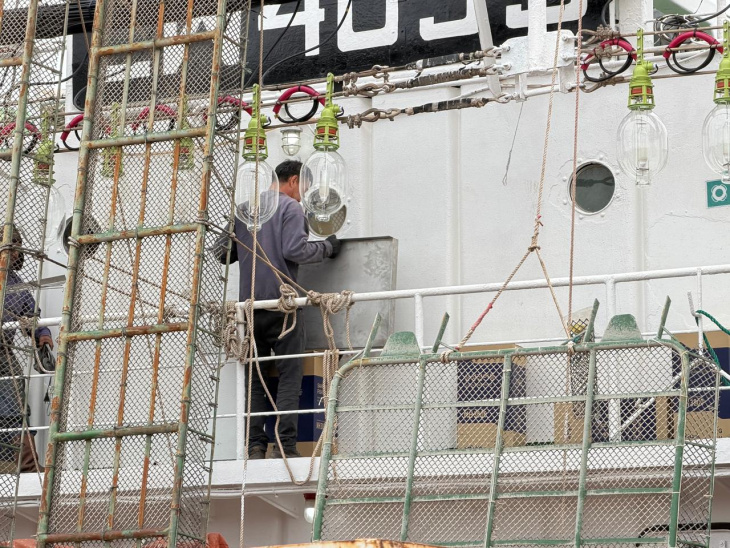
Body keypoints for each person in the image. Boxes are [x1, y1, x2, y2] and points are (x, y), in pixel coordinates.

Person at [220, 160, 341, 459]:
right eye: (305, 189)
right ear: (294, 180)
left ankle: (255, 445)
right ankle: (285, 446)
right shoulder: (290, 208)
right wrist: (328, 247)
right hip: (283, 306)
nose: (303, 196)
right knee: (290, 375)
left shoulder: (245, 209)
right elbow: (295, 250)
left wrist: (247, 238)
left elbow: (223, 253)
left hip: (249, 309)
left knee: (255, 378)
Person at [0, 226, 53, 472]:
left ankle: (26, 465)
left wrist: (42, 335)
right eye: (10, 245)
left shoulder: (16, 285)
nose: (14, 251)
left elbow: (31, 315)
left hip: (3, 352)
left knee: (17, 406)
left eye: (17, 246)